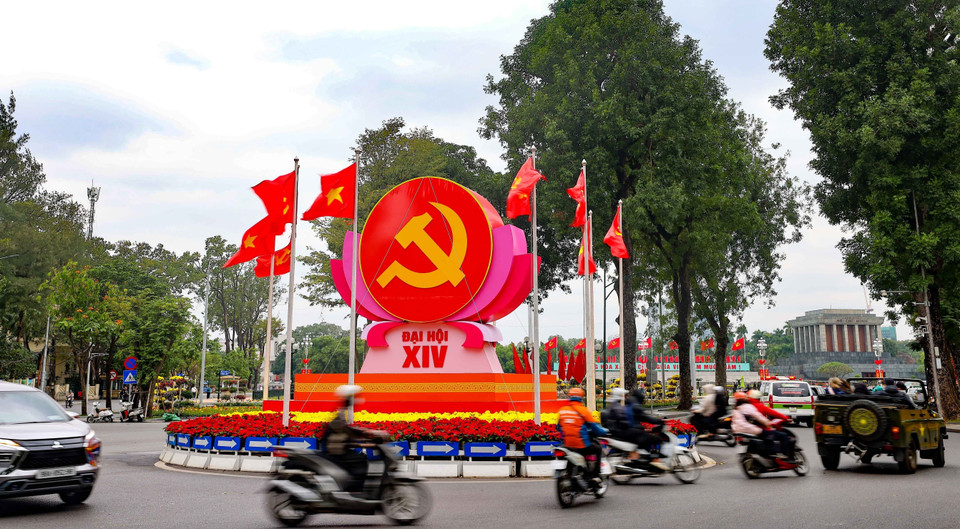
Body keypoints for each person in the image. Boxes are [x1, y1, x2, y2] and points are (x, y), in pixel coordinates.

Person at [320, 385, 389, 494]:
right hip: (334, 451)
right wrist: (368, 436)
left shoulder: (342, 412)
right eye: (352, 398)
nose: (354, 401)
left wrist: (367, 435)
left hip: (337, 449)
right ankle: (356, 492)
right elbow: (346, 431)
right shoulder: (340, 413)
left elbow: (348, 431)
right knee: (361, 460)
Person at [558, 388, 608, 488]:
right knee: (597, 449)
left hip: (566, 444)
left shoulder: (562, 411)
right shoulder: (584, 411)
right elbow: (595, 428)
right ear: (581, 397)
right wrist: (605, 432)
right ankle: (595, 475)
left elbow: (559, 427)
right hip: (581, 445)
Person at [745, 390, 796, 458]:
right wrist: (786, 418)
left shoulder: (745, 407)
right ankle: (785, 455)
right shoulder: (759, 406)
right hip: (761, 430)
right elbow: (773, 413)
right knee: (783, 436)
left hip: (748, 431)